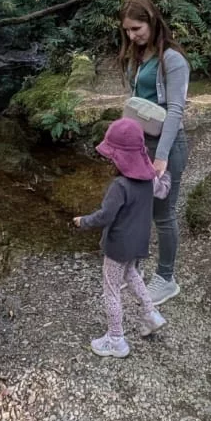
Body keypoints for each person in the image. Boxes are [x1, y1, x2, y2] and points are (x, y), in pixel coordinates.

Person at [73, 116, 169, 358]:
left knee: (111, 289)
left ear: (119, 158)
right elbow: (163, 189)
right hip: (138, 243)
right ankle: (150, 315)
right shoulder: (149, 180)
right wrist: (164, 175)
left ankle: (116, 339)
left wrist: (83, 221)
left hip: (117, 247)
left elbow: (105, 216)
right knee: (132, 274)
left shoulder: (120, 186)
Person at [119, 0, 190, 305]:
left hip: (167, 147)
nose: (132, 36)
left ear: (151, 21)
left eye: (137, 29)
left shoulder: (172, 60)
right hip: (139, 144)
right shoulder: (140, 56)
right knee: (136, 208)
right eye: (127, 31)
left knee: (163, 213)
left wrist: (161, 157)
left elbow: (175, 110)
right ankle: (132, 271)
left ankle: (165, 278)